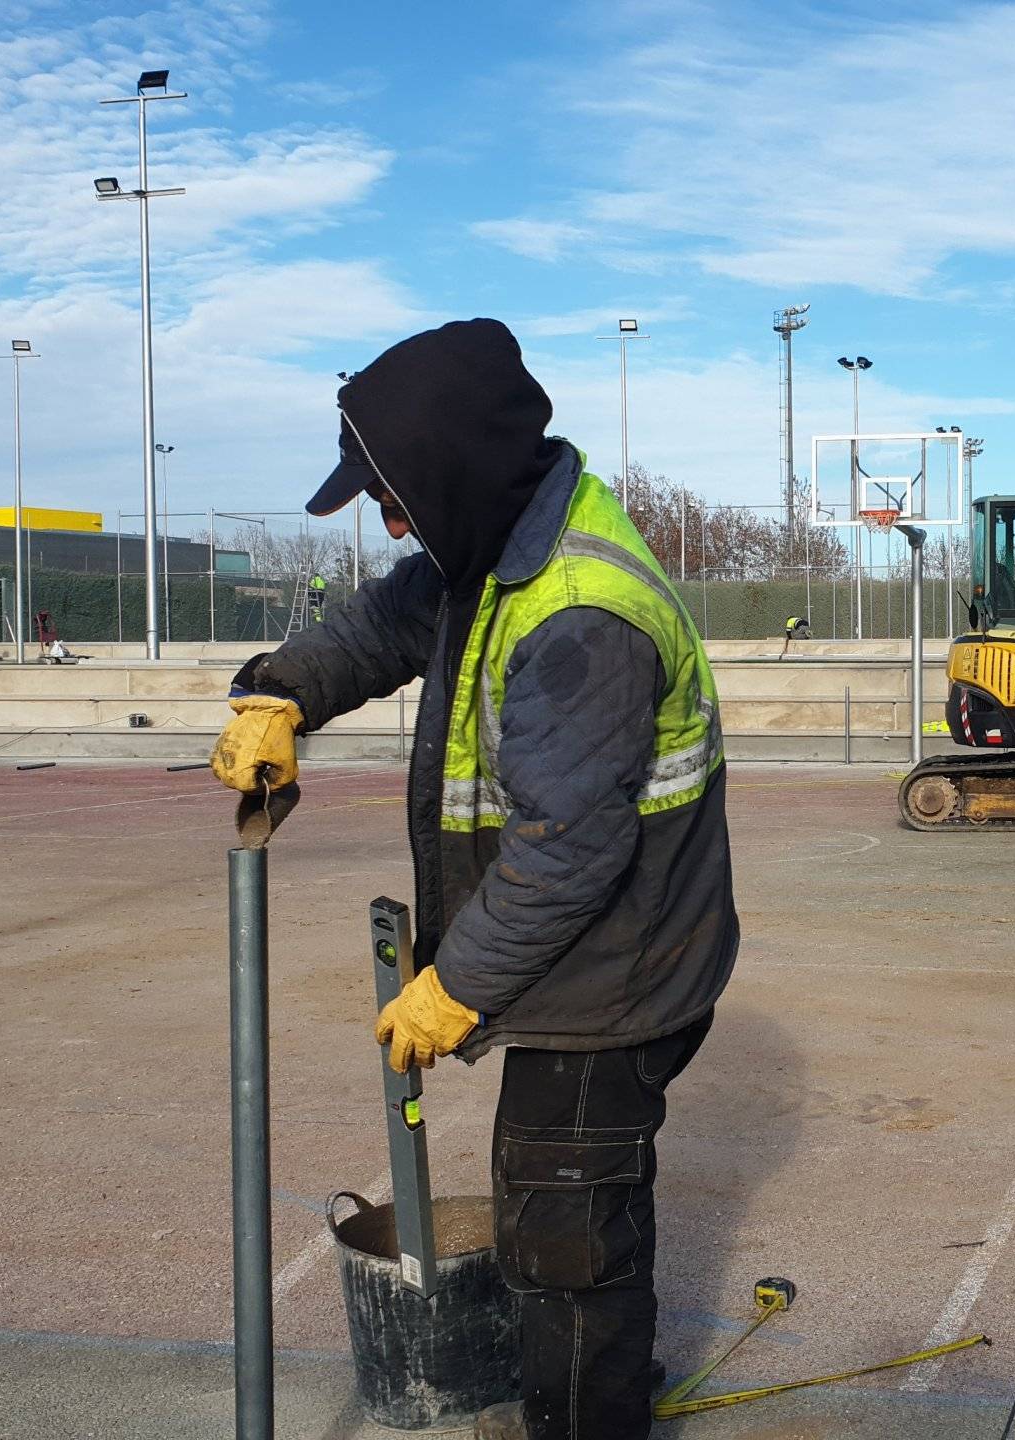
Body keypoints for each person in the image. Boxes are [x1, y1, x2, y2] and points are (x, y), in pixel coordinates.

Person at [208, 319, 737, 1440]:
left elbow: (569, 852)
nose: (390, 520)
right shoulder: (496, 549)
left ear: (456, 470)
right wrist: (282, 690)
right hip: (592, 957)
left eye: (395, 495)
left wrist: (459, 987)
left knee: (564, 1246)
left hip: (612, 976)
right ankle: (597, 1383)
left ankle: (585, 1419)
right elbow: (383, 622)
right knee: (569, 1212)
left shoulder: (577, 619)